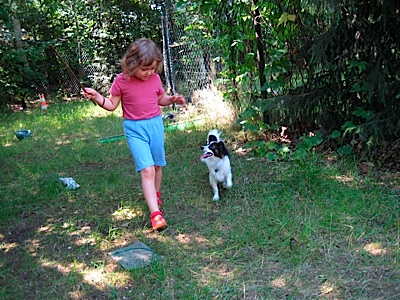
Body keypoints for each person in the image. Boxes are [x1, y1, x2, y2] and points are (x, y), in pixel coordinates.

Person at [83, 38, 185, 231]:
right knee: (147, 170)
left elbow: (160, 99)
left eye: (153, 69)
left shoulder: (154, 78)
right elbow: (111, 105)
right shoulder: (121, 81)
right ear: (132, 64)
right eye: (145, 69)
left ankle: (155, 194)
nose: (149, 73)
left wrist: (171, 99)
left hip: (155, 125)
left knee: (156, 165)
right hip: (134, 129)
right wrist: (97, 96)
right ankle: (156, 214)